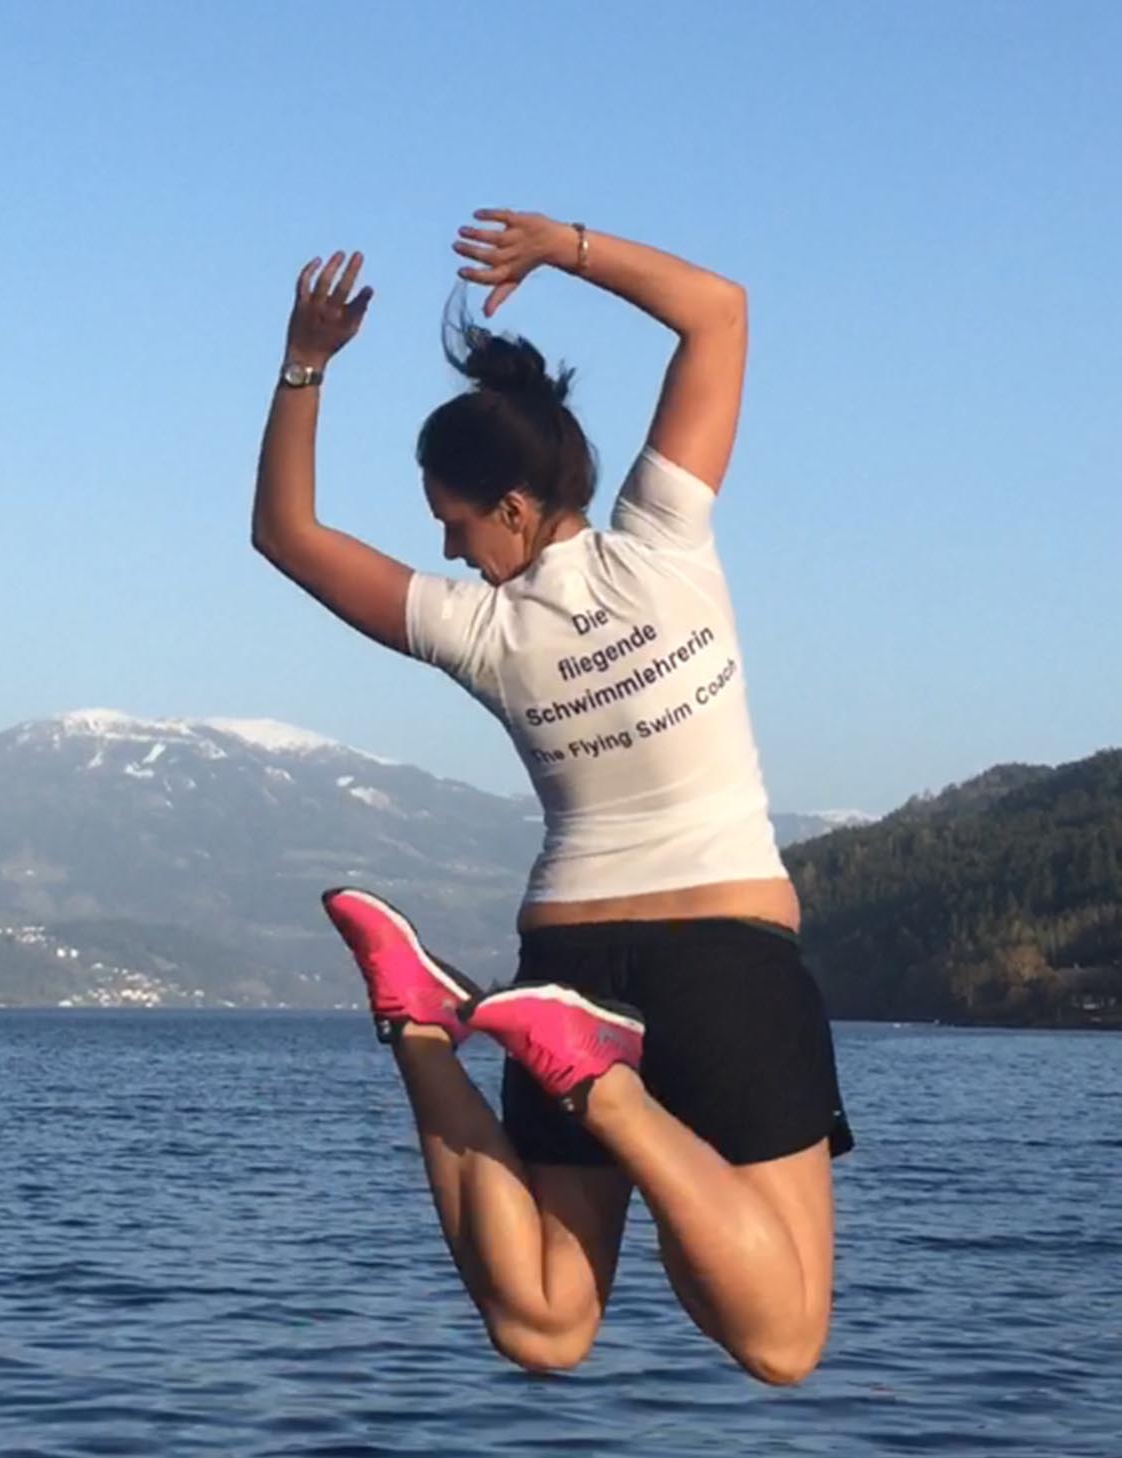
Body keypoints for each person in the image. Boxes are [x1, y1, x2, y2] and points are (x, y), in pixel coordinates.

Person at [251, 210, 853, 1386]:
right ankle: (602, 1092)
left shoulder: (476, 630)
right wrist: (563, 249)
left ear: (514, 508)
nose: (451, 551)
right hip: (719, 959)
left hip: (564, 959)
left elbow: (284, 533)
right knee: (780, 1342)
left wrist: (303, 362)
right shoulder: (660, 541)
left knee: (543, 1324)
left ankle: (422, 1024)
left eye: (453, 523)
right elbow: (716, 312)